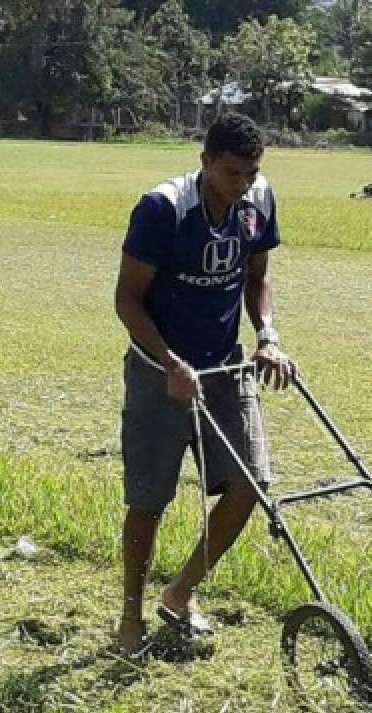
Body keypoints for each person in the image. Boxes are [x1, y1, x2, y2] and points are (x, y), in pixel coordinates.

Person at [113, 113, 294, 655]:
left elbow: (257, 279)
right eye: (231, 172)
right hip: (158, 373)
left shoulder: (258, 200)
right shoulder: (162, 209)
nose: (242, 184)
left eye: (251, 173)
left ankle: (180, 592)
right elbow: (127, 300)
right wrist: (169, 363)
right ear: (205, 163)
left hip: (224, 366)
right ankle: (130, 617)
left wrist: (268, 336)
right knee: (149, 498)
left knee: (250, 483)